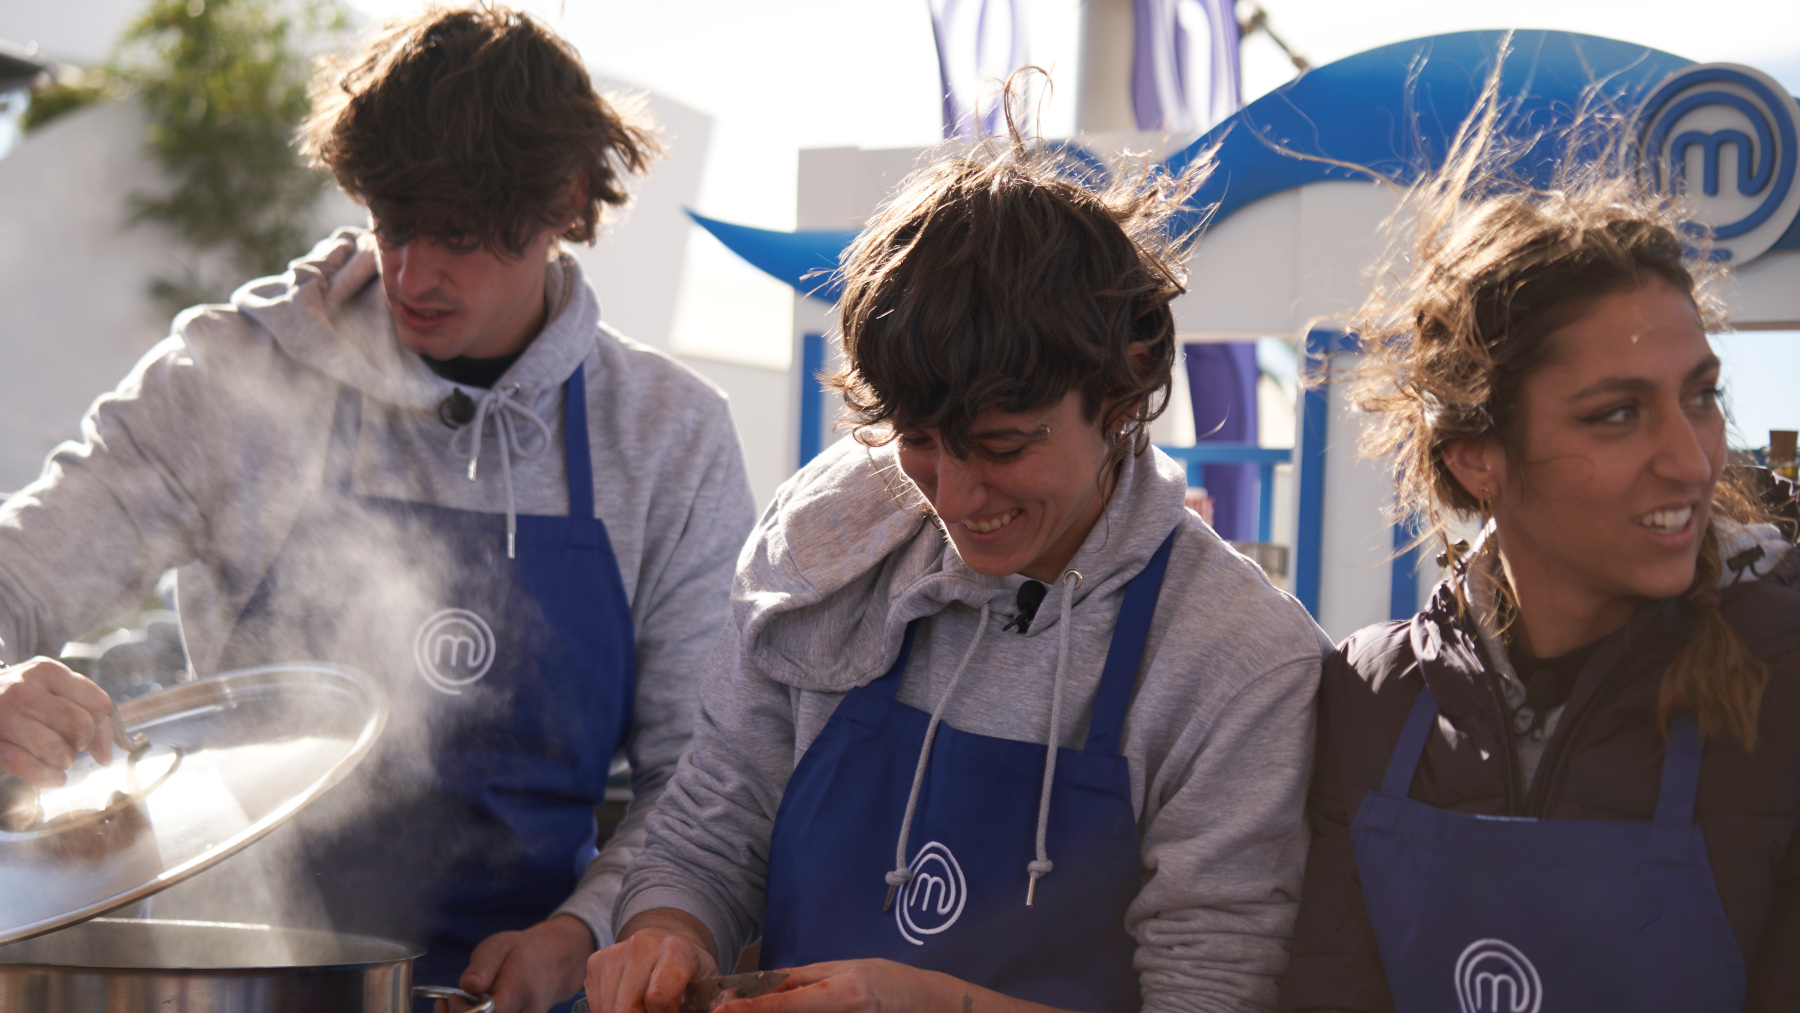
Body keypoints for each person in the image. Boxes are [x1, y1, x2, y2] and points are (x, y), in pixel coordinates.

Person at [0, 8, 755, 1012]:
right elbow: (16, 576)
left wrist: (584, 931)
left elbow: (701, 780)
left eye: (458, 237)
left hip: (524, 988)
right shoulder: (229, 378)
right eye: (392, 224)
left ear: (566, 202)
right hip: (234, 977)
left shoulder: (669, 436)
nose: (412, 274)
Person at [583, 126, 1332, 1013]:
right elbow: (715, 825)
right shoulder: (829, 542)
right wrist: (666, 933)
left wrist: (939, 1004)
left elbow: (1207, 996)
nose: (960, 495)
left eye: (1005, 447)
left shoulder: (1238, 658)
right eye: (920, 443)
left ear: (1124, 396)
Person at [1277, 114, 1800, 1010]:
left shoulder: (1784, 676)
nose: (1692, 458)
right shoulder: (1367, 699)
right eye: (1617, 413)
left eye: (1701, 396)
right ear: (1476, 456)